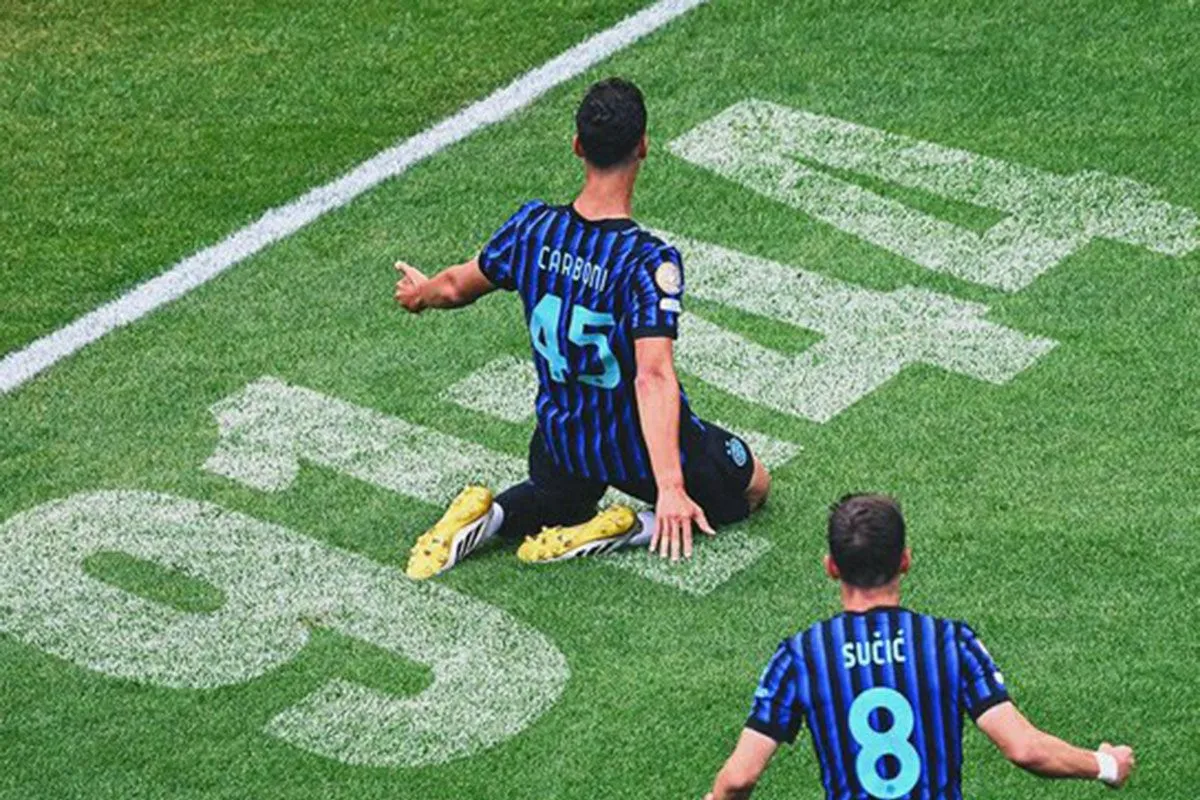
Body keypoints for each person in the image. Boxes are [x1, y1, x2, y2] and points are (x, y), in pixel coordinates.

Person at [393, 77, 771, 579]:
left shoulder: (533, 227)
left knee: (558, 499)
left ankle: (490, 517)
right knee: (751, 487)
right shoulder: (646, 261)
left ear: (577, 146)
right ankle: (630, 527)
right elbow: (652, 376)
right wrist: (670, 486)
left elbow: (456, 286)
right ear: (643, 146)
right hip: (630, 448)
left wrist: (420, 294)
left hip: (561, 437)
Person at [705, 494, 1135, 799]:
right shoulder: (949, 643)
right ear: (905, 561)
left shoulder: (801, 656)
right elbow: (1023, 748)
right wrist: (1107, 764)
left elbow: (739, 778)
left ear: (831, 567)